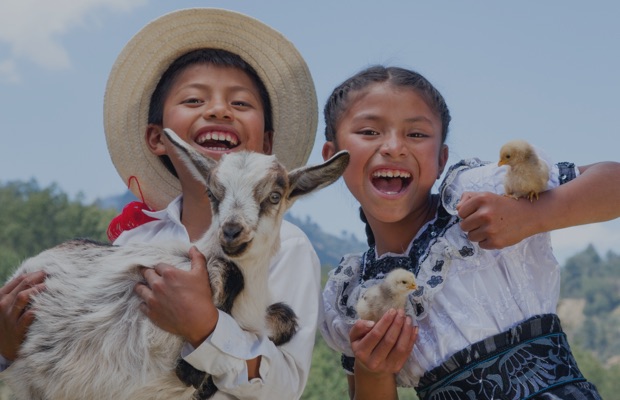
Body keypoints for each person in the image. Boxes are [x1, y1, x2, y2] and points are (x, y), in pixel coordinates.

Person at [0, 8, 321, 399]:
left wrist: (205, 328)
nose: (218, 110)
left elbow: (283, 387)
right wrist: (6, 346)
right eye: (193, 99)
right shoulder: (133, 247)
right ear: (158, 139)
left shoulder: (287, 248)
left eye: (239, 104)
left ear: (267, 148)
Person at [319, 65, 620, 399]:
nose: (393, 147)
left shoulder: (483, 197)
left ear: (441, 158)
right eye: (369, 132)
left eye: (416, 134)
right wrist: (373, 371)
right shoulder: (353, 299)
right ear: (333, 159)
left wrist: (532, 215)